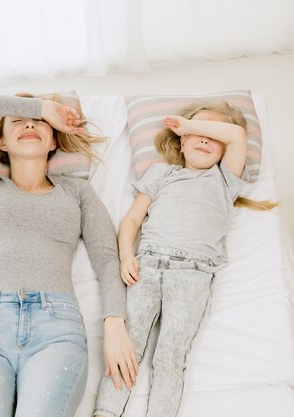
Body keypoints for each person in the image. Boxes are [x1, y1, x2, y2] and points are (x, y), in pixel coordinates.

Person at [0, 92, 137, 417]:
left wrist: (115, 323)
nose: (30, 123)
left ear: (53, 141)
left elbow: (106, 257)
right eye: (17, 120)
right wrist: (42, 109)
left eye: (40, 123)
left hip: (56, 329)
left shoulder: (78, 192)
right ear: (1, 143)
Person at [94, 101, 277, 417]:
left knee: (170, 355)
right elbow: (132, 220)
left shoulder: (224, 180)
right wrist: (125, 255)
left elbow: (235, 134)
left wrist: (191, 126)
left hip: (193, 275)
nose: (205, 139)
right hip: (147, 267)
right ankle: (105, 412)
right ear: (180, 140)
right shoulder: (162, 174)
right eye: (197, 133)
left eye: (211, 135)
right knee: (129, 348)